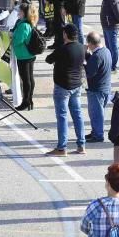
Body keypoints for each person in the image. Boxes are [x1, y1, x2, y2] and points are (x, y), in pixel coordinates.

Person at [44, 24, 87, 156]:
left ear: (65, 35)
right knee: (77, 114)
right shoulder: (82, 48)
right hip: (77, 85)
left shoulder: (62, 49)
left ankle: (62, 147)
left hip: (62, 86)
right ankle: (81, 144)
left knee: (62, 116)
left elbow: (48, 59)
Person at [84, 31, 113, 143]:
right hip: (105, 87)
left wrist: (84, 62)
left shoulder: (96, 56)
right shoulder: (106, 51)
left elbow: (90, 73)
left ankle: (98, 135)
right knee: (98, 112)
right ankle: (95, 131)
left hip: (96, 89)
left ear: (91, 43)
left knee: (96, 113)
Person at [11, 0, 38, 111]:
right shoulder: (25, 23)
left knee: (26, 80)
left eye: (20, 12)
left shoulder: (24, 25)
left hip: (24, 56)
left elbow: (18, 41)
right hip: (27, 55)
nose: (18, 13)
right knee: (29, 78)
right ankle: (29, 100)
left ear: (25, 13)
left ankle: (26, 101)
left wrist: (11, 36)